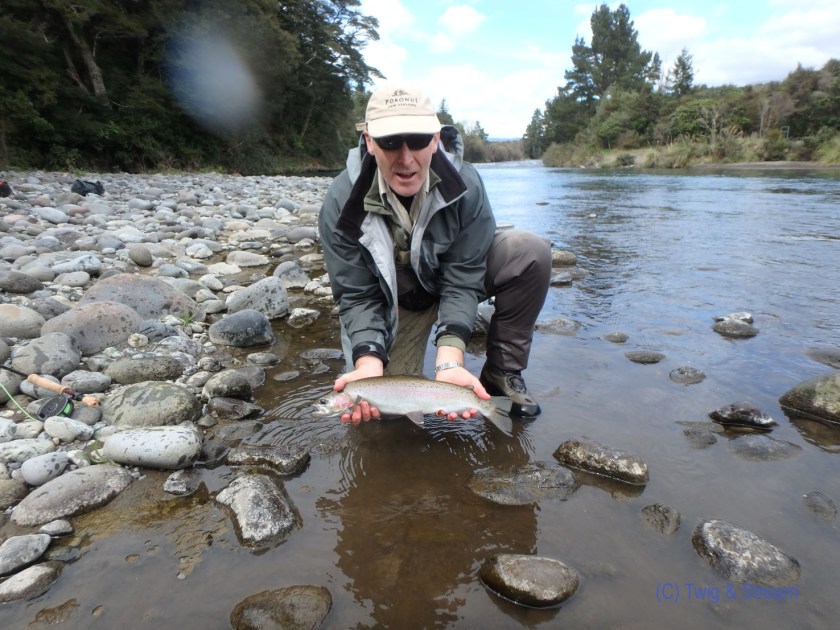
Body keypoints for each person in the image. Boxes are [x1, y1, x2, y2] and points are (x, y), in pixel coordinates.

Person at [319, 83, 551, 424]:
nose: (406, 158)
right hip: (394, 304)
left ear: (435, 139)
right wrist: (368, 360)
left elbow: (464, 278)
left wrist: (450, 361)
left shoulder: (465, 185)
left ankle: (501, 373)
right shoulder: (342, 203)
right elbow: (356, 296)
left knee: (529, 252)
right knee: (385, 417)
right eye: (390, 142)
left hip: (447, 285)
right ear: (369, 141)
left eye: (417, 140)